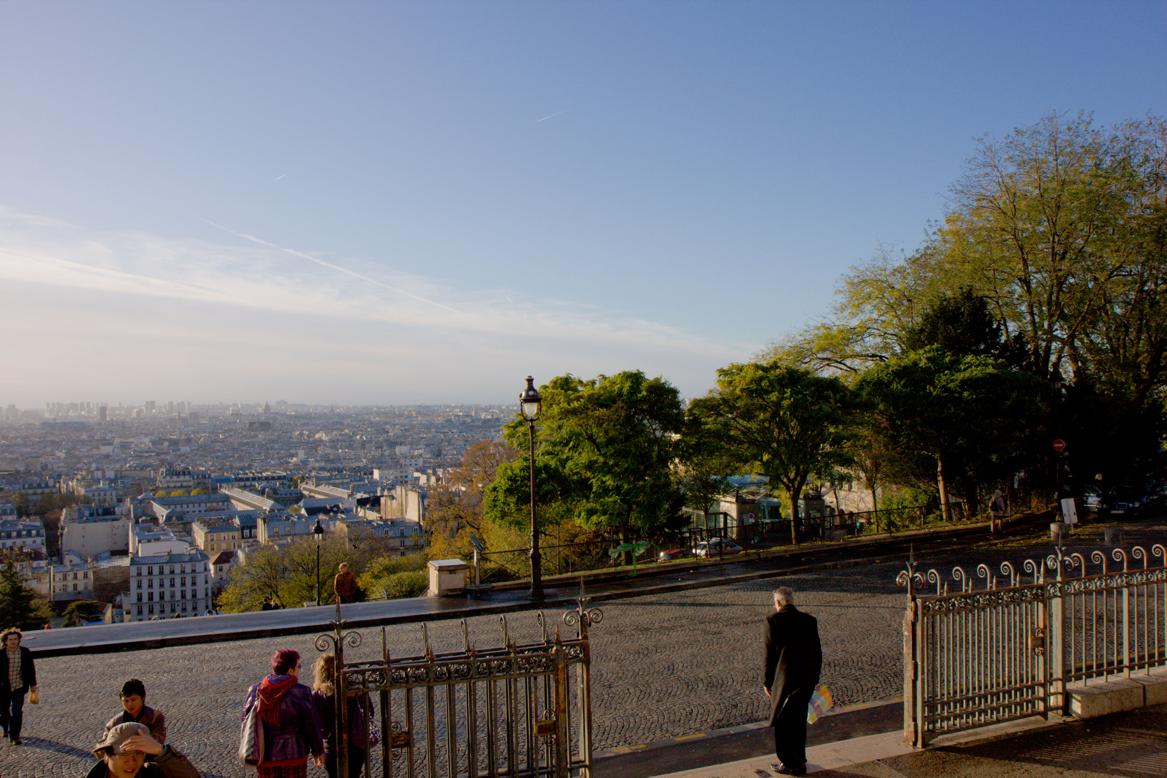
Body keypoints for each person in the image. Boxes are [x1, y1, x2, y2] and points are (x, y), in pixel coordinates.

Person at [762, 587, 822, 776]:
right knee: (798, 721)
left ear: (778, 602)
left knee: (782, 722)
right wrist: (814, 678)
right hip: (805, 679)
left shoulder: (773, 620)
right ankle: (799, 760)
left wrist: (767, 681)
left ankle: (788, 762)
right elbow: (816, 653)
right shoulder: (809, 621)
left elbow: (770, 655)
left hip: (784, 680)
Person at [241, 648, 323, 777]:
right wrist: (317, 751)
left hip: (265, 753)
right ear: (290, 670)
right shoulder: (301, 692)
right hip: (294, 753)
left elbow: (245, 721)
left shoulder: (255, 690)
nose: (299, 669)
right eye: (299, 666)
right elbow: (311, 724)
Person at [312, 653, 373, 778]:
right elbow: (369, 711)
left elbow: (316, 725)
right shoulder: (355, 690)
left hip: (331, 746)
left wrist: (318, 748)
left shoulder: (318, 696)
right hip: (355, 744)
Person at [86, 722, 198, 778]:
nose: (132, 761)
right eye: (124, 754)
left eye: (139, 753)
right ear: (106, 756)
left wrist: (162, 751)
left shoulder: (152, 774)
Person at [0, 627, 37, 745]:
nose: (13, 641)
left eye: (15, 639)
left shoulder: (25, 652)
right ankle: (5, 727)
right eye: (10, 639)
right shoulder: (1, 653)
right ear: (5, 641)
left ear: (19, 640)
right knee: (3, 711)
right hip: (3, 688)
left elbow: (31, 669)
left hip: (19, 686)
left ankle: (15, 736)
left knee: (17, 711)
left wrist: (33, 685)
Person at [104, 679, 167, 744]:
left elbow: (159, 739)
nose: (129, 704)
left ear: (143, 698)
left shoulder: (154, 717)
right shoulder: (115, 722)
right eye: (126, 701)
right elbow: (103, 744)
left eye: (133, 700)